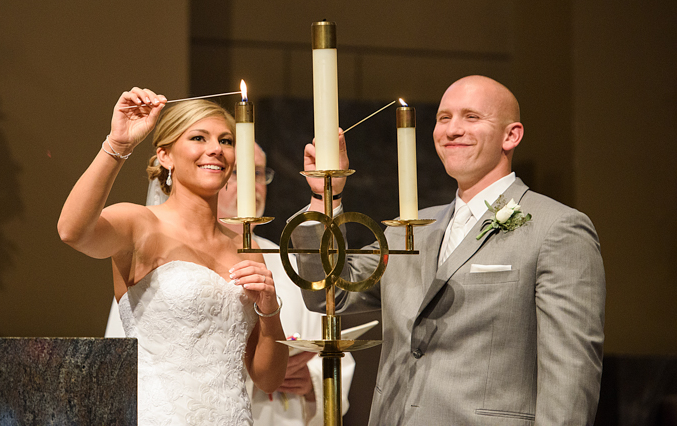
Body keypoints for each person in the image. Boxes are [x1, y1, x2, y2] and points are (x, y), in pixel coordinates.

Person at [293, 75, 606, 426]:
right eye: (444, 118)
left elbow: (571, 373)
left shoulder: (557, 228)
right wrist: (324, 196)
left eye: (471, 117)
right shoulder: (408, 230)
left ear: (511, 135)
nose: (452, 129)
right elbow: (329, 291)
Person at [58, 87, 288, 425]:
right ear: (165, 156)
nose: (216, 149)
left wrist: (269, 311)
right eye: (199, 137)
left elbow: (268, 379)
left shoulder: (246, 246)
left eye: (226, 141)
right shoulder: (139, 224)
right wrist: (119, 145)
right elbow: (72, 231)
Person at [106, 143, 357, 425]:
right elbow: (126, 352)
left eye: (259, 173)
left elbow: (329, 344)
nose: (252, 184)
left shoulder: (288, 262)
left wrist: (310, 381)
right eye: (238, 172)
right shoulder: (157, 260)